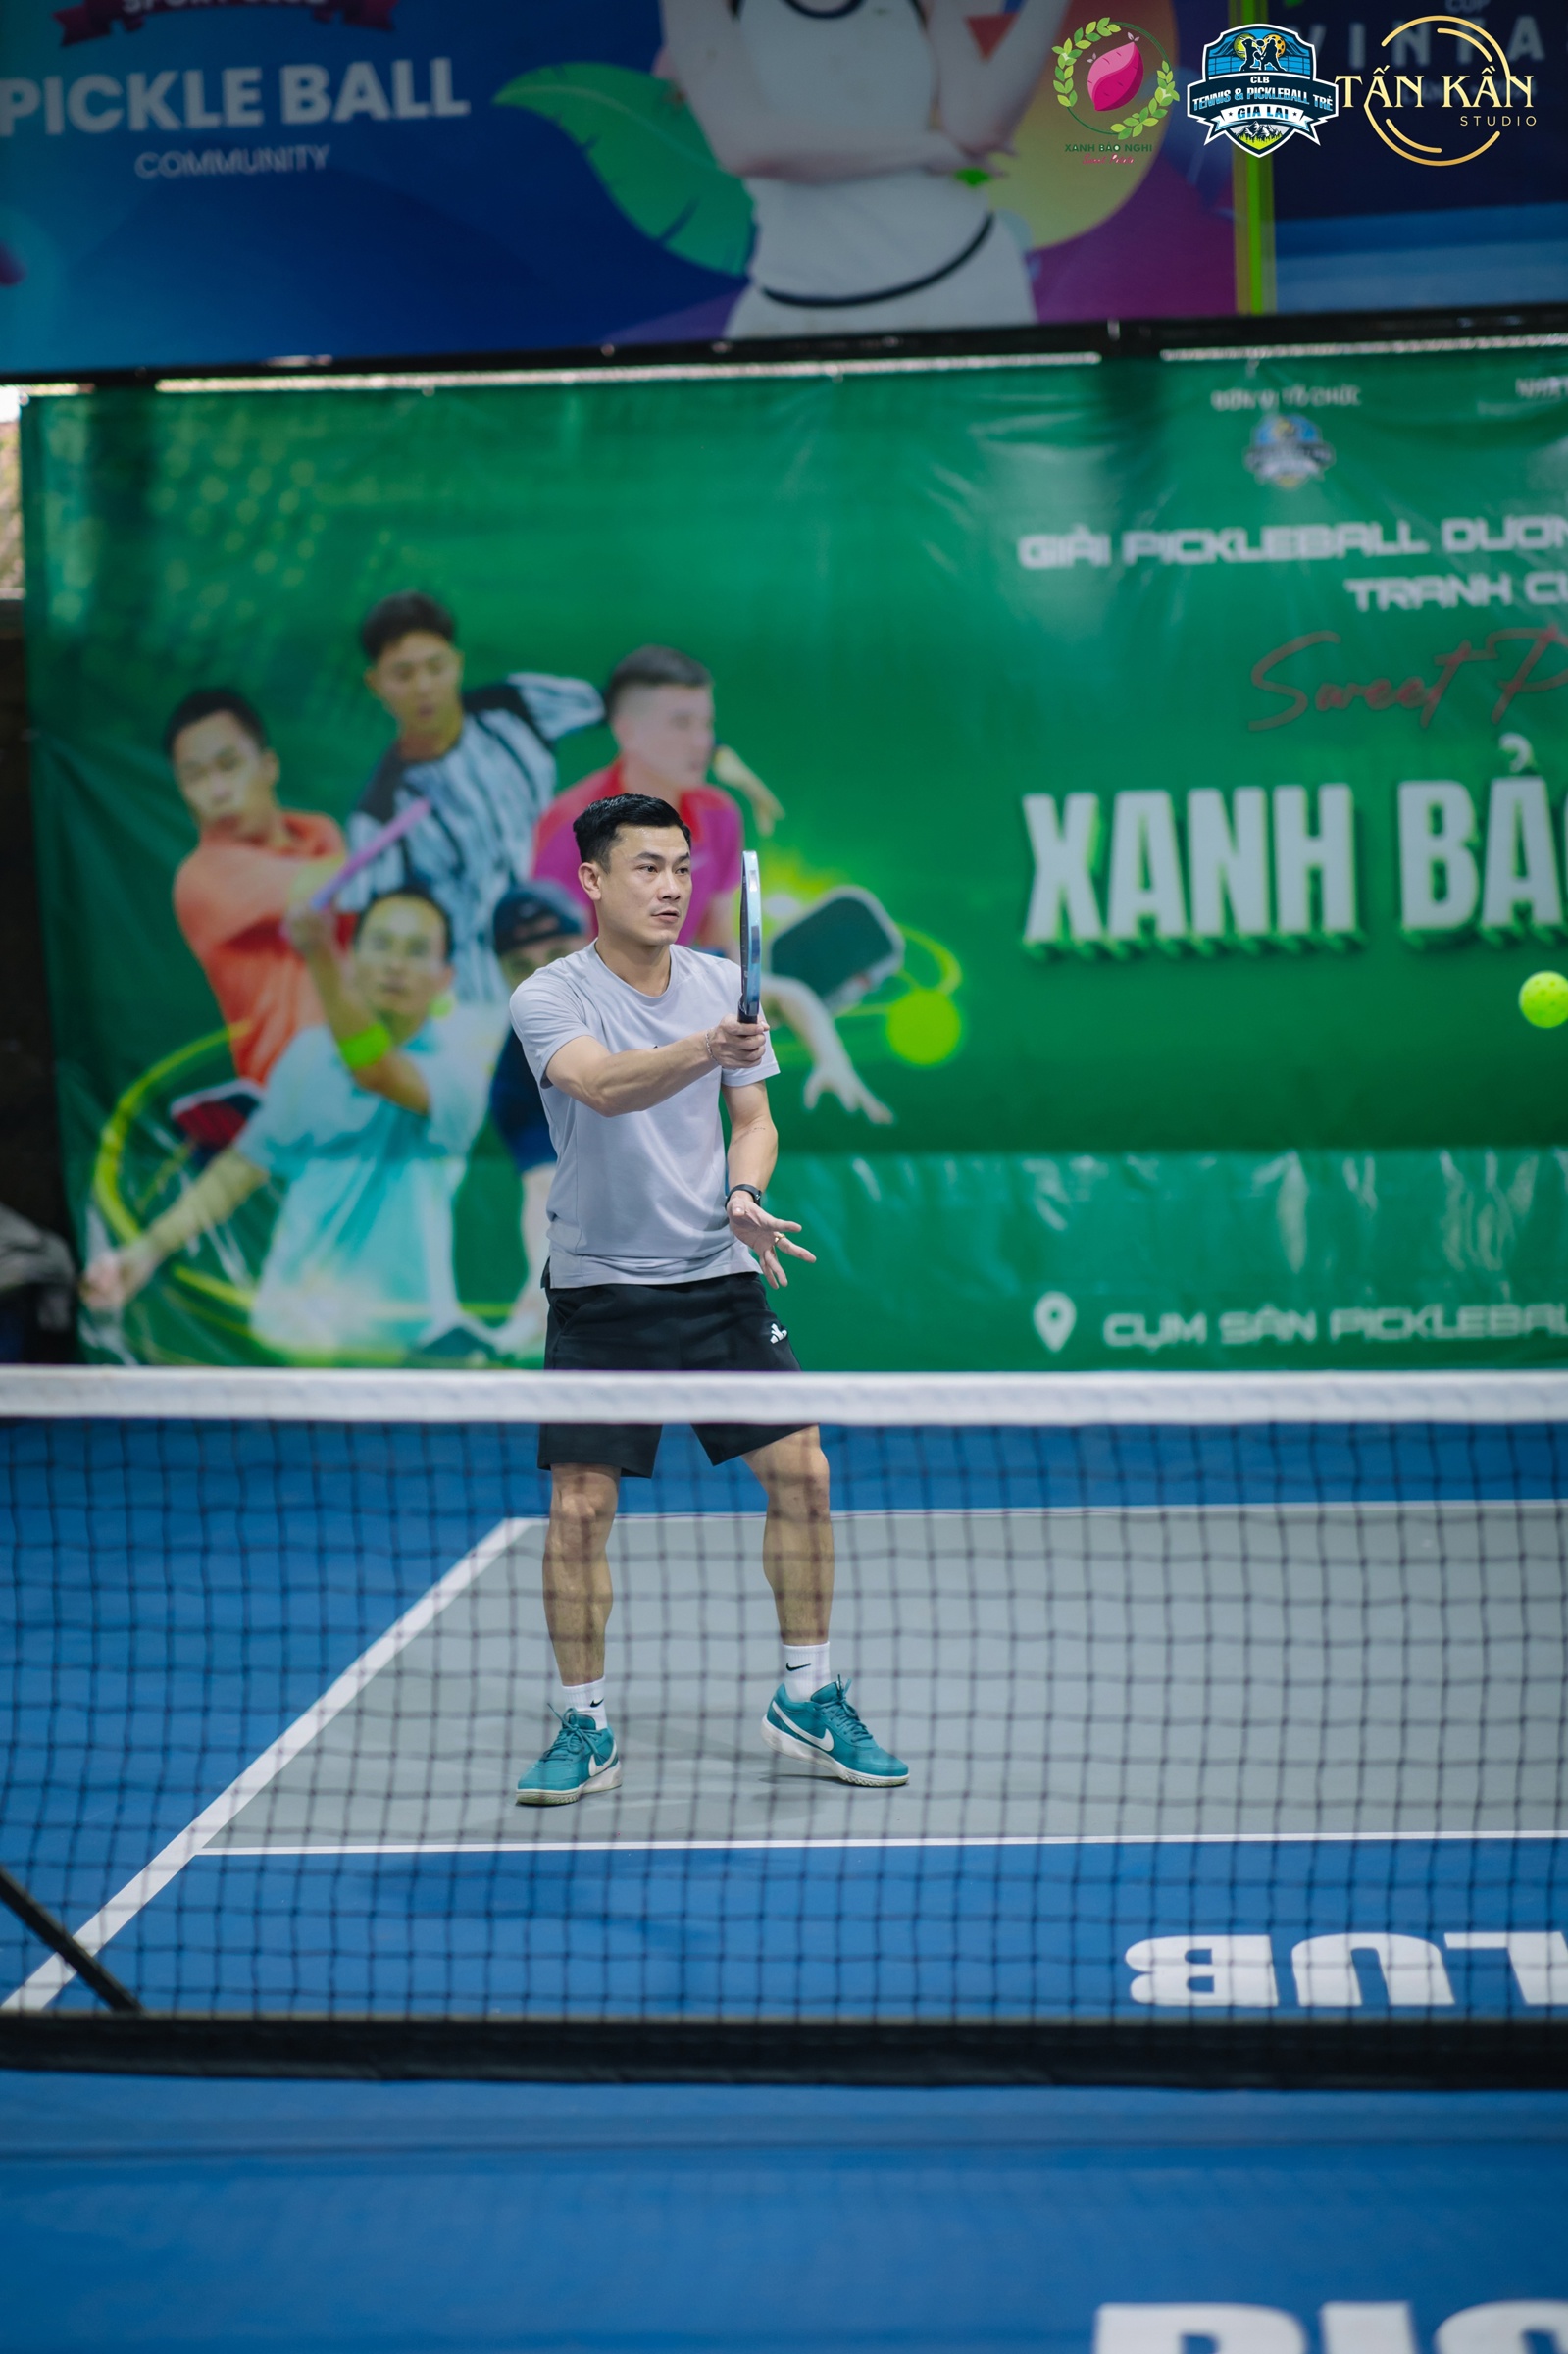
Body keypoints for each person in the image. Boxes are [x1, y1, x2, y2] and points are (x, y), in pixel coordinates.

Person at [508, 790, 908, 1805]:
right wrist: (704, 1047)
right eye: (647, 867)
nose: (672, 887)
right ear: (592, 880)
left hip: (717, 1279)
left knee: (804, 1475)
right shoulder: (550, 996)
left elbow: (755, 1119)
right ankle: (584, 1722)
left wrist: (744, 1193)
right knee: (580, 1509)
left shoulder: (724, 983)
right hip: (601, 1291)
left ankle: (807, 1695)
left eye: (683, 868)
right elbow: (603, 1087)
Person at [80, 889, 501, 1364]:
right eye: (381, 944)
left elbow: (374, 1070)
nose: (395, 965)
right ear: (354, 958)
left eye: (417, 950)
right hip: (297, 1333)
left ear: (445, 978)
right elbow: (239, 1169)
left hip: (405, 1344)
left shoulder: (459, 1070)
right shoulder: (307, 1055)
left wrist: (319, 957)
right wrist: (145, 1252)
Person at [534, 644, 892, 1123]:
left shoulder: (720, 813)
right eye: (681, 723)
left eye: (706, 724)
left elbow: (723, 944)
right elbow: (547, 968)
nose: (701, 742)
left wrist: (744, 1012)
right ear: (626, 730)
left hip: (682, 1009)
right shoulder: (566, 827)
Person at [659, 0, 1065, 338]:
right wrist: (927, 149)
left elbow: (978, 127)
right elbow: (745, 146)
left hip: (964, 283)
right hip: (798, 308)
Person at [339, 591, 601, 1008]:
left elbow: (626, 707)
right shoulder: (377, 816)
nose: (423, 687)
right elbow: (387, 939)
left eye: (435, 667)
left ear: (457, 663)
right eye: (403, 674)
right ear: (375, 683)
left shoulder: (517, 707)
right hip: (483, 1001)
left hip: (586, 959)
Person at [166, 689, 346, 1085]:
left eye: (229, 765)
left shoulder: (323, 833)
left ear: (268, 765)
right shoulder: (201, 877)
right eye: (195, 777)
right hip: (287, 1094)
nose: (216, 792)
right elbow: (326, 887)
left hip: (370, 1060)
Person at [485, 879, 588, 1360]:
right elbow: (542, 1187)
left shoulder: (663, 976)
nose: (542, 978)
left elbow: (779, 994)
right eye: (521, 967)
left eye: (557, 955)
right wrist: (541, 1283)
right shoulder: (515, 1080)